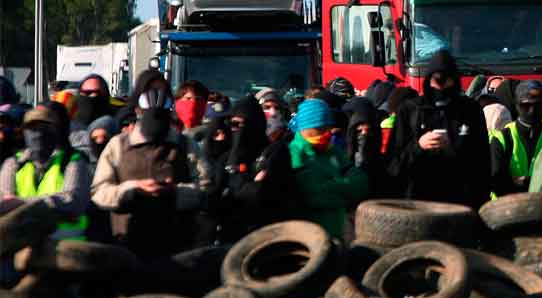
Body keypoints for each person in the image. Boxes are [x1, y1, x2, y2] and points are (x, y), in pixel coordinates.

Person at [91, 70, 202, 258]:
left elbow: (206, 187)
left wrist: (174, 192)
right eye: (150, 92)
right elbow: (99, 191)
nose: (155, 99)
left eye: (161, 93)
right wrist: (131, 190)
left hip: (175, 246)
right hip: (127, 245)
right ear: (137, 108)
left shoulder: (184, 144)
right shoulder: (119, 144)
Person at [387, 51, 490, 207]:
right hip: (418, 204)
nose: (441, 87)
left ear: (454, 80)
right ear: (428, 80)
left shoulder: (470, 111)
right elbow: (393, 164)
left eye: (446, 80)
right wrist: (419, 146)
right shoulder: (410, 110)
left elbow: (482, 163)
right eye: (437, 80)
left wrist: (454, 148)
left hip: (460, 205)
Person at [201, 96, 298, 243]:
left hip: (266, 236)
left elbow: (265, 195)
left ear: (256, 125)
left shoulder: (274, 151)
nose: (237, 130)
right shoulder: (226, 157)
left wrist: (241, 191)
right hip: (230, 236)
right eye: (233, 124)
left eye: (243, 124)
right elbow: (214, 198)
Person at [0, 103, 91, 240]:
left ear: (56, 130)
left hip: (64, 241)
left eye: (44, 128)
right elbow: (6, 202)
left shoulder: (73, 160)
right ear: (23, 132)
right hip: (22, 240)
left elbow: (72, 201)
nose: (37, 134)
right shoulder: (13, 163)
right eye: (31, 128)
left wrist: (22, 202)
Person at [288, 98, 367, 238]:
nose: (326, 133)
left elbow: (361, 182)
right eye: (320, 128)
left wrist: (332, 186)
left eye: (327, 127)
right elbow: (313, 194)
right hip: (310, 237)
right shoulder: (295, 153)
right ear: (305, 128)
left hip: (339, 231)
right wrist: (346, 192)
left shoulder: (333, 150)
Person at [488, 81, 542, 197]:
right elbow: (496, 182)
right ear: (516, 105)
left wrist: (520, 182)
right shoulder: (502, 138)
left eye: (538, 105)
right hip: (505, 209)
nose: (532, 111)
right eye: (526, 105)